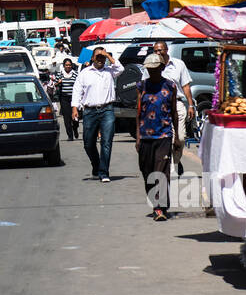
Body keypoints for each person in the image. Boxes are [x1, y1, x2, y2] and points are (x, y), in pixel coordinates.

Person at [72, 47, 126, 181]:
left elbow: (121, 69)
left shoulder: (110, 72)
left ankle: (104, 172)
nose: (100, 59)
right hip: (90, 111)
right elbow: (77, 91)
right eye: (98, 56)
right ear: (92, 58)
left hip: (107, 110)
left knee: (106, 142)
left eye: (102, 57)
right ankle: (96, 165)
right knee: (88, 143)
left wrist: (107, 55)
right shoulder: (85, 73)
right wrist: (74, 108)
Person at [136, 53, 179, 221]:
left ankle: (159, 208)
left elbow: (174, 112)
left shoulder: (170, 86)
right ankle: (156, 202)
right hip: (146, 136)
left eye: (155, 69)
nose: (152, 72)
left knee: (161, 172)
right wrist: (138, 138)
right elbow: (138, 112)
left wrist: (176, 136)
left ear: (162, 68)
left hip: (164, 135)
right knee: (147, 172)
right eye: (149, 70)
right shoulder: (141, 86)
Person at [153, 42, 194, 175]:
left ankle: (176, 160)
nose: (158, 53)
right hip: (159, 105)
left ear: (166, 50)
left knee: (180, 137)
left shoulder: (178, 64)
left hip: (177, 104)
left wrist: (191, 105)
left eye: (160, 50)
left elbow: (186, 86)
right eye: (155, 51)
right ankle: (170, 167)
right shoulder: (150, 64)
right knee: (166, 138)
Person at [55, 58, 79, 141]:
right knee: (67, 117)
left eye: (69, 65)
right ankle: (70, 135)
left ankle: (75, 128)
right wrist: (58, 82)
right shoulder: (60, 74)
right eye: (66, 65)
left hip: (74, 98)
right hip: (64, 98)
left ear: (71, 65)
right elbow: (55, 84)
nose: (68, 66)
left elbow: (79, 84)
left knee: (75, 116)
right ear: (64, 66)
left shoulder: (76, 74)